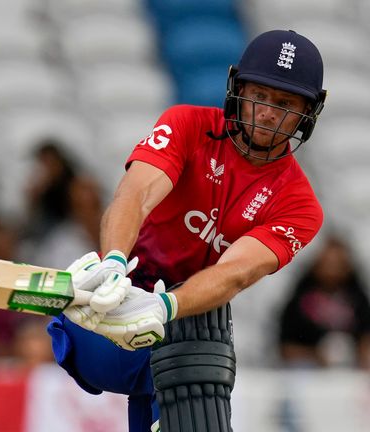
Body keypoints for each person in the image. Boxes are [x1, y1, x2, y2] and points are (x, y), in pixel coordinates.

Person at [46, 30, 327, 432]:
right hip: (111, 304)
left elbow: (237, 272)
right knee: (194, 350)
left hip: (185, 332)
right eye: (259, 96)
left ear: (307, 114)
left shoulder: (301, 205)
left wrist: (165, 307)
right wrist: (113, 263)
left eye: (284, 103)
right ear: (237, 89)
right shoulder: (188, 124)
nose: (267, 112)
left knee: (202, 345)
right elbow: (136, 195)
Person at [278, 235, 370, 370]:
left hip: (351, 371)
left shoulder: (358, 300)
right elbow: (285, 347)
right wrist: (317, 355)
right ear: (316, 264)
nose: (332, 270)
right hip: (309, 372)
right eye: (327, 263)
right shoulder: (299, 301)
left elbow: (366, 338)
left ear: (348, 266)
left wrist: (356, 355)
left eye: (338, 264)